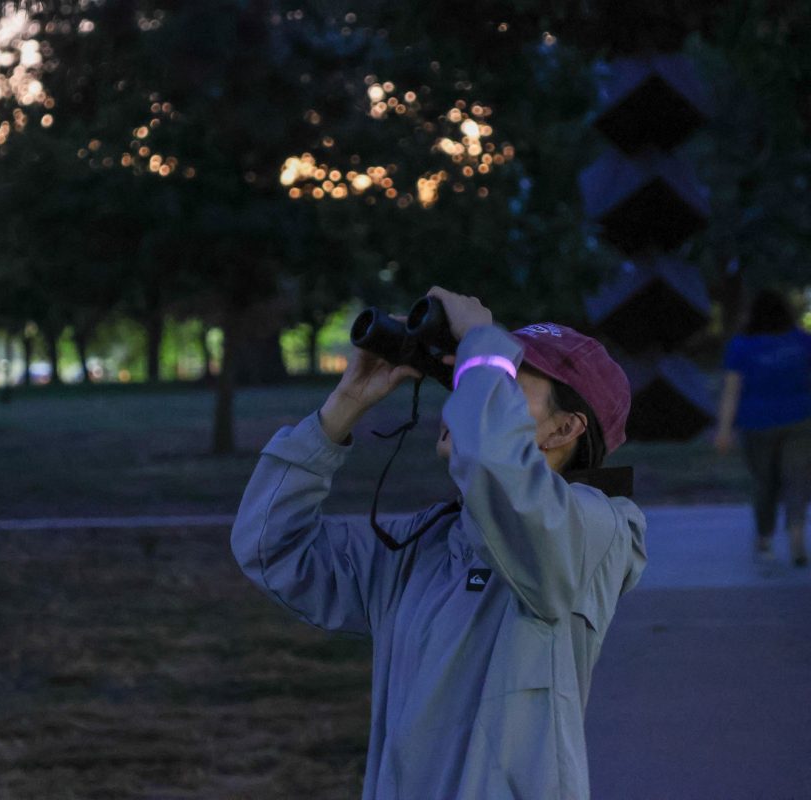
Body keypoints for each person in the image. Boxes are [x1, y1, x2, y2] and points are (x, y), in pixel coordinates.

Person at [231, 287, 646, 800]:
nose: (467, 391)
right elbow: (272, 546)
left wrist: (480, 342)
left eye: (506, 378)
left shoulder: (599, 532)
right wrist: (343, 407)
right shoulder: (425, 544)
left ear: (564, 428)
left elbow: (504, 481)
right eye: (473, 375)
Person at [714, 289, 811, 566]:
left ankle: (764, 540)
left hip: (757, 424)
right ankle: (796, 536)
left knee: (765, 483)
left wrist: (724, 430)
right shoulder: (803, 342)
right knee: (797, 482)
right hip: (801, 420)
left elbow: (731, 391)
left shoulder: (741, 347)